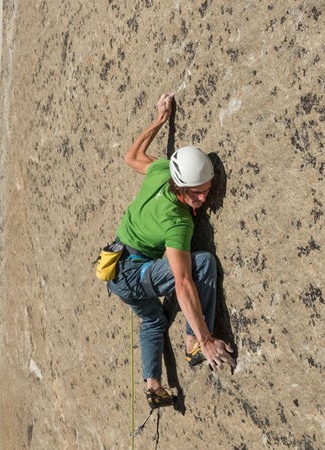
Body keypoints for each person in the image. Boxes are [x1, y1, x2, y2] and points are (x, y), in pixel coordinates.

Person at [109, 93, 236, 409]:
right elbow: (183, 282)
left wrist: (161, 119)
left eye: (208, 188)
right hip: (134, 272)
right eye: (200, 193)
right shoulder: (177, 222)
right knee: (203, 262)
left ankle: (153, 384)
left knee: (153, 322)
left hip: (115, 269)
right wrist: (206, 340)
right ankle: (193, 343)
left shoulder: (162, 170)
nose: (206, 198)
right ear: (182, 190)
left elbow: (132, 155)